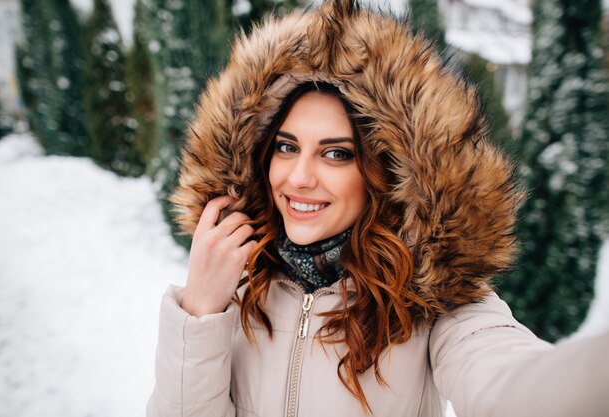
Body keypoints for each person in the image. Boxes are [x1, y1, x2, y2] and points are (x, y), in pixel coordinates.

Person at [147, 1, 609, 416]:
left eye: (337, 153)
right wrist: (201, 310)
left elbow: (507, 382)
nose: (299, 177)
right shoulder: (238, 284)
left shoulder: (434, 298)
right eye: (287, 147)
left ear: (383, 174)